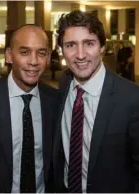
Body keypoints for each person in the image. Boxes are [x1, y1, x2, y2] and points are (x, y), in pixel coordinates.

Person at [53, 10, 139, 193]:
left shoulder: (132, 99)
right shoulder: (63, 85)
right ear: (62, 50)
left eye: (89, 43)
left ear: (102, 47)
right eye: (71, 45)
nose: (81, 55)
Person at [0, 24, 57, 193]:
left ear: (48, 57)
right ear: (9, 56)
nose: (33, 61)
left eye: (41, 53)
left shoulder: (55, 101)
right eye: (24, 52)